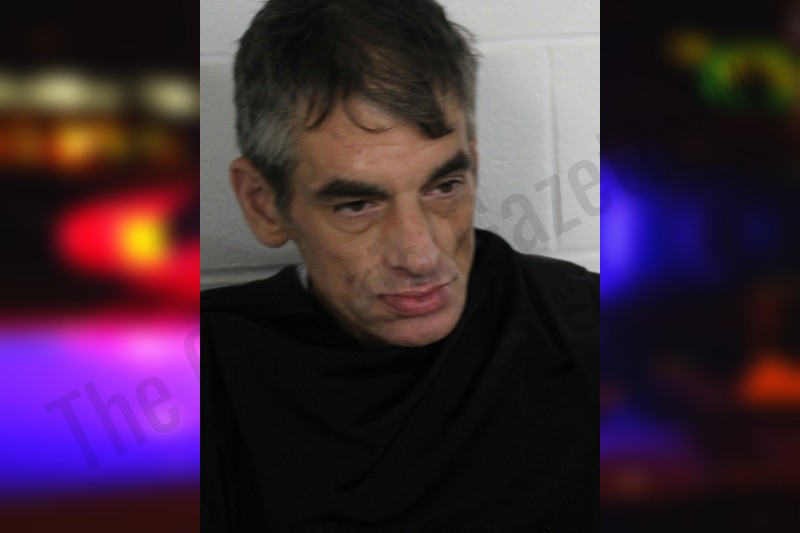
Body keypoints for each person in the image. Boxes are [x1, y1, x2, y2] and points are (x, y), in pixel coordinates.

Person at [201, 0, 599, 530]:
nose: (421, 256)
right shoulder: (190, 383)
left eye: (444, 187)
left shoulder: (595, 333)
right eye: (356, 206)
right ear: (263, 204)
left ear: (473, 166)